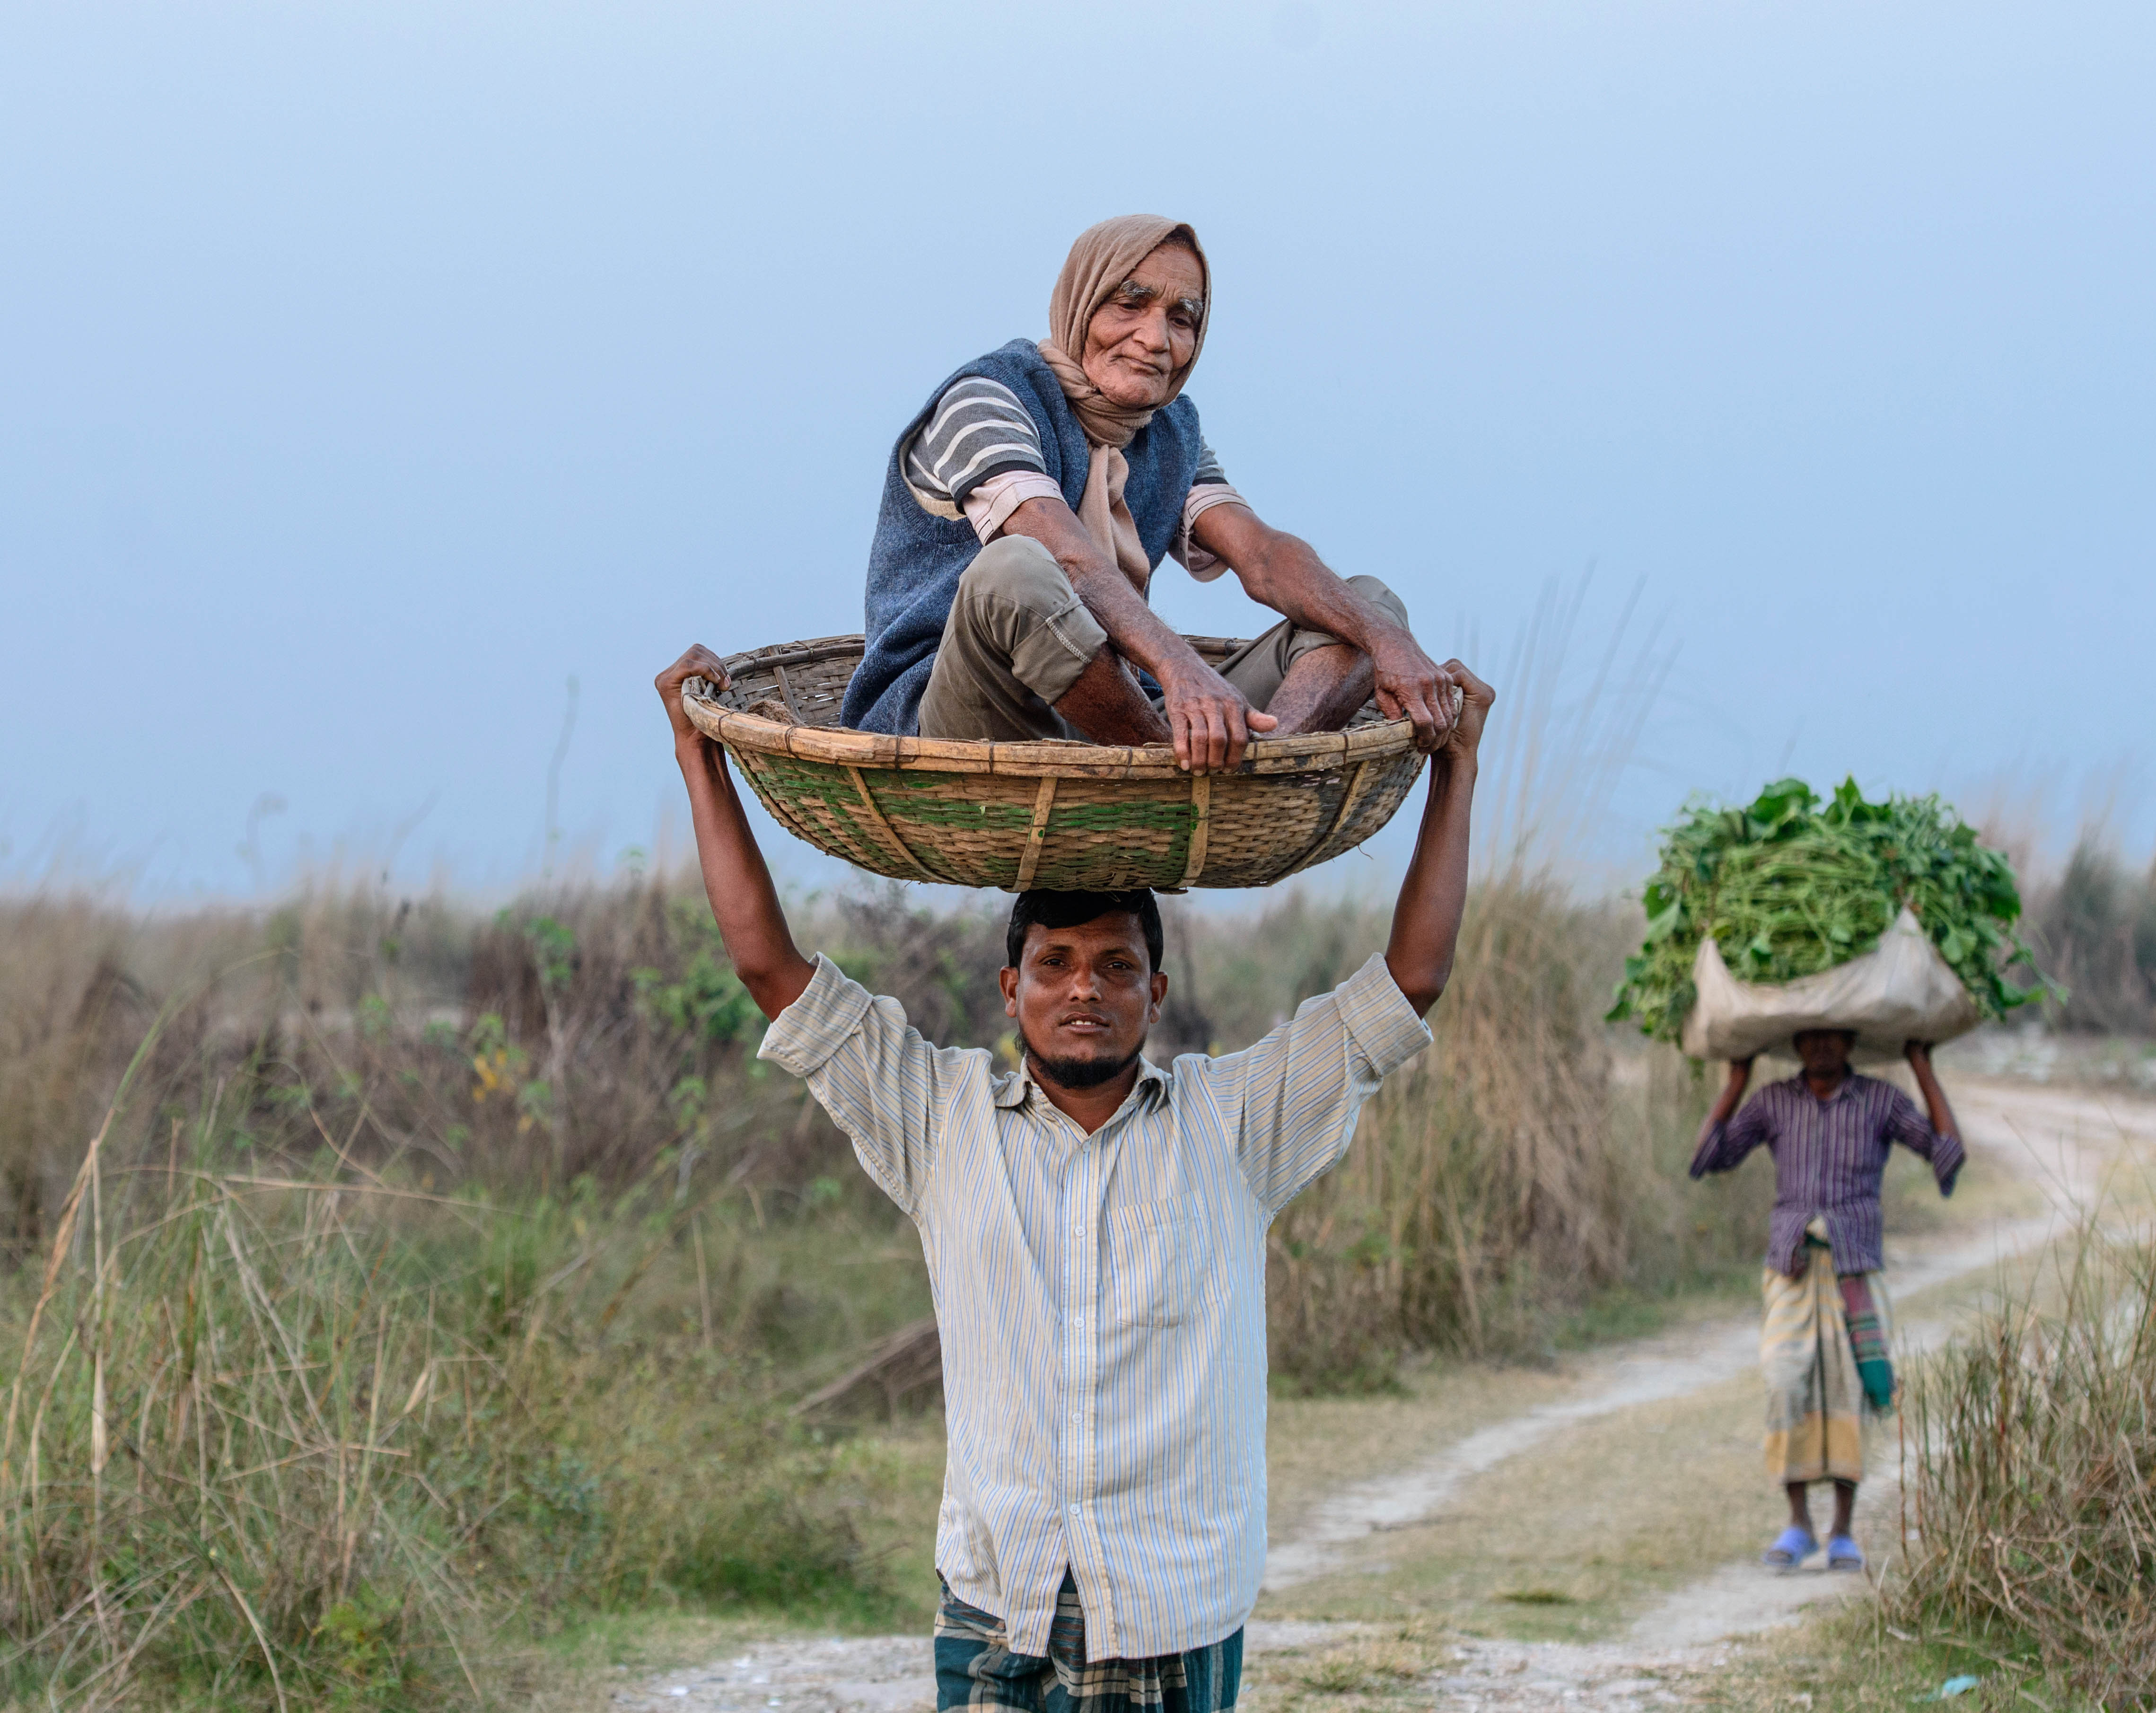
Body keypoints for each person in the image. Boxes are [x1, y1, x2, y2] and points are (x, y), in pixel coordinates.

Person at [652, 641, 1493, 1713]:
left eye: (1113, 967)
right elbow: (771, 969)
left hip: (1167, 1614)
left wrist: (1456, 766)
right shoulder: (940, 1120)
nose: (1081, 990)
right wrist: (698, 759)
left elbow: (1407, 981)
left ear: (1155, 991)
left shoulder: (1230, 1124)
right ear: (1011, 988)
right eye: (1054, 964)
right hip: (994, 1610)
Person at [837, 213, 1461, 773]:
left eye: (1181, 319)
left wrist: (1391, 645)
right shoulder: (988, 398)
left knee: (1365, 605)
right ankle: (1174, 769)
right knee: (1016, 568)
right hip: (959, 715)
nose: (1155, 339)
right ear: (1080, 303)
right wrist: (1180, 668)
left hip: (1111, 713)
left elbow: (1263, 558)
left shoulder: (1167, 431)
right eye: (1128, 305)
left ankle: (1260, 769)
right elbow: (1067, 558)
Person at [1688, 1028, 1965, 1574]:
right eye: (1809, 1038)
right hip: (1789, 1267)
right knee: (1785, 1380)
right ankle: (1798, 1524)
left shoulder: (1881, 1102)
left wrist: (1921, 1066)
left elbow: (1947, 1158)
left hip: (1853, 1267)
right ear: (1795, 1045)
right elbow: (1706, 1159)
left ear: (1851, 1041)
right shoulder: (1773, 1103)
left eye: (1831, 1038)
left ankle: (1841, 1530)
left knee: (1849, 1391)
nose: (1820, 1048)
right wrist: (1736, 1080)